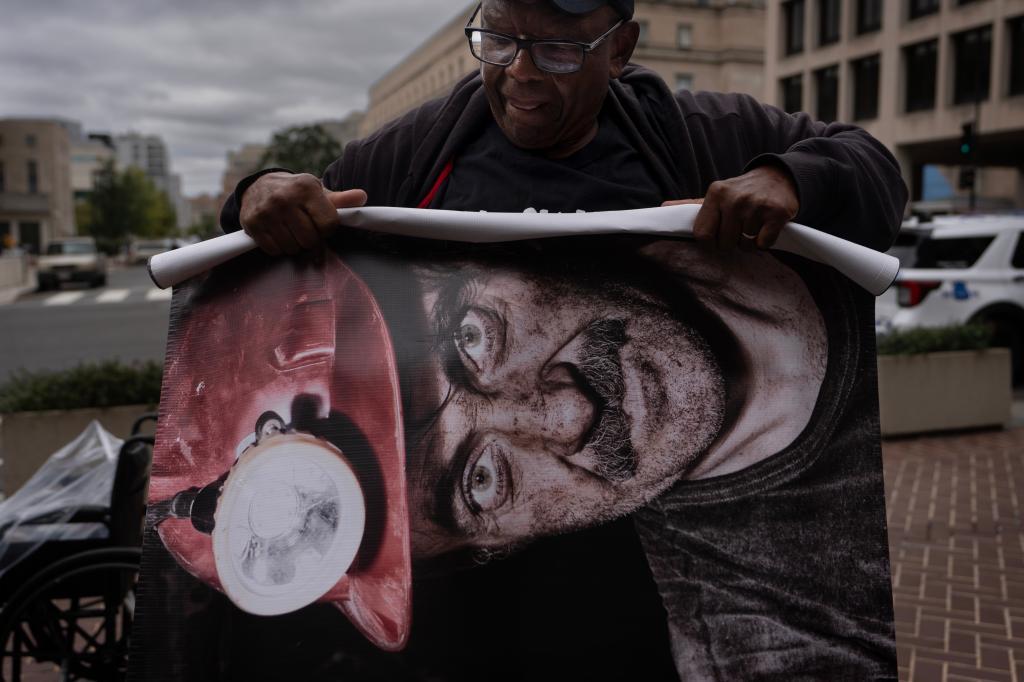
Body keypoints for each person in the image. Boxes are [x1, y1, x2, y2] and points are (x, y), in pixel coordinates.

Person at [216, 0, 907, 678]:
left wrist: (789, 178)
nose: (521, 73)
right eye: (478, 482)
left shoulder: (697, 137)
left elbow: (873, 170)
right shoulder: (414, 155)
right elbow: (283, 228)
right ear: (474, 547)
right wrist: (260, 194)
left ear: (621, 47)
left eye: (474, 339)